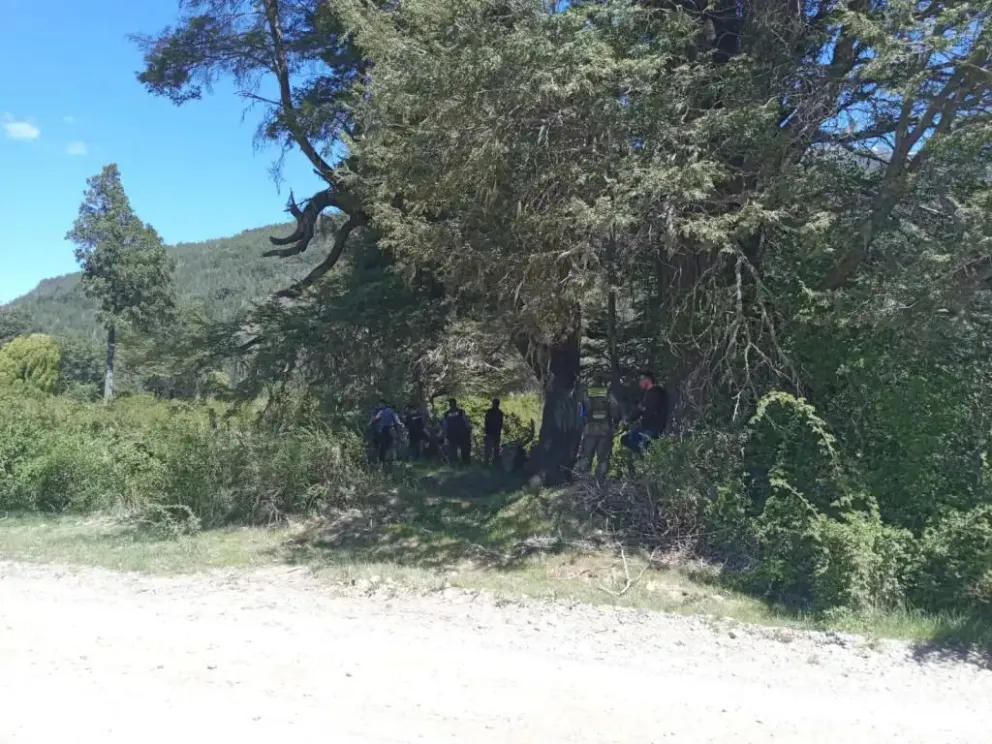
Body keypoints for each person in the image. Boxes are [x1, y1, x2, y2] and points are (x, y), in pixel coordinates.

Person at [577, 378, 622, 480]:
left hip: (589, 429)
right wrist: (616, 423)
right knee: (603, 458)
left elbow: (580, 413)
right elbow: (615, 411)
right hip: (605, 430)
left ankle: (582, 482)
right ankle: (600, 482)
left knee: (586, 456)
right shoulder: (608, 393)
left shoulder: (586, 393)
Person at [620, 371, 668, 455]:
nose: (639, 383)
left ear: (647, 380)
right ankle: (643, 453)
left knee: (636, 442)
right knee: (625, 439)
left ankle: (644, 453)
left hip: (652, 428)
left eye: (641, 380)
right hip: (646, 427)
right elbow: (639, 410)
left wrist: (641, 414)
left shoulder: (656, 393)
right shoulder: (647, 395)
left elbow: (647, 410)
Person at [441, 397, 472, 465]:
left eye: (452, 403)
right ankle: (457, 463)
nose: (451, 405)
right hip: (454, 434)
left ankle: (463, 463)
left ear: (455, 403)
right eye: (451, 403)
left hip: (459, 434)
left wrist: (468, 429)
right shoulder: (447, 414)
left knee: (462, 449)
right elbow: (445, 425)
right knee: (454, 450)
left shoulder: (460, 412)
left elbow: (466, 422)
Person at [483, 397, 505, 468]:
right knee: (494, 449)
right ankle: (493, 464)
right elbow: (501, 423)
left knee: (490, 449)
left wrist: (486, 430)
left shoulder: (491, 412)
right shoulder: (499, 412)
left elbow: (486, 422)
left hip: (492, 433)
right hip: (494, 433)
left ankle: (489, 464)